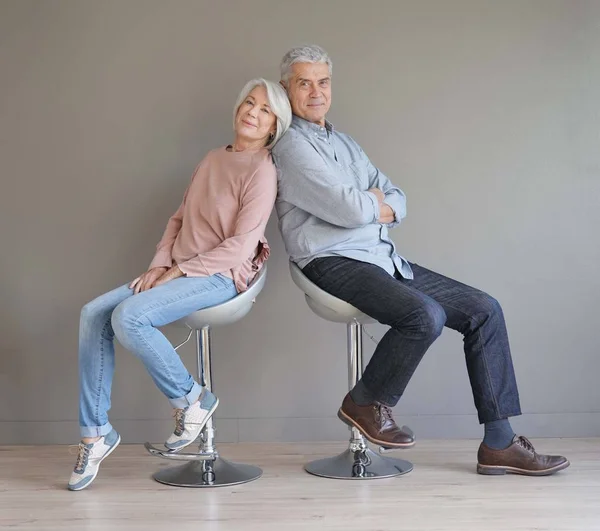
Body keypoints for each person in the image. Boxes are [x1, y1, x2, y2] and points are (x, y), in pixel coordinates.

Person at [272, 45, 569, 476]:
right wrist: (370, 205)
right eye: (304, 82)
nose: (316, 92)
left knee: (484, 310)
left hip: (381, 257)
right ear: (286, 89)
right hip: (330, 260)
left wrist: (369, 203)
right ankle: (365, 401)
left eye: (323, 82)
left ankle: (499, 443)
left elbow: (397, 197)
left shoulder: (345, 143)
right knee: (423, 315)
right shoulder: (291, 146)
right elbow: (350, 210)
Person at [68, 78, 291, 491]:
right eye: (249, 102)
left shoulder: (262, 172)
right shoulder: (212, 159)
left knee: (129, 316)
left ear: (274, 127)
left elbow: (241, 247)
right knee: (93, 314)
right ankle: (94, 434)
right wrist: (158, 264)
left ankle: (192, 400)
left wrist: (176, 272)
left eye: (265, 110)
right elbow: (178, 220)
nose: (252, 112)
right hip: (179, 269)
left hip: (220, 277)